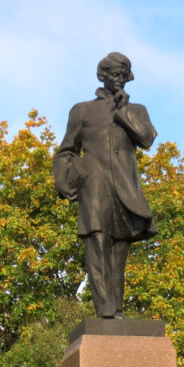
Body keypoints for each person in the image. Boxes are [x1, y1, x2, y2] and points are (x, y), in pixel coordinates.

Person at [53, 52, 158, 318]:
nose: (119, 80)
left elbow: (146, 139)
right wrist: (65, 180)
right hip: (95, 185)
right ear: (103, 76)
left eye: (124, 76)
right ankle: (105, 311)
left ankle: (117, 310)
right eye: (114, 75)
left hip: (125, 188)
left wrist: (123, 110)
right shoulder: (83, 110)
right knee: (98, 242)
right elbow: (67, 150)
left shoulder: (137, 110)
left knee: (119, 251)